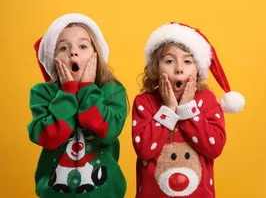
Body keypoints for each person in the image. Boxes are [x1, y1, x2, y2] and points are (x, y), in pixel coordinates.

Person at [132, 22, 245, 197]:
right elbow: (145, 150)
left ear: (198, 69)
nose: (179, 69)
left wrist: (187, 109)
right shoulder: (144, 102)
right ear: (156, 67)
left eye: (187, 61)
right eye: (169, 61)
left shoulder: (207, 101)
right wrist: (169, 109)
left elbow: (214, 148)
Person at [28, 13, 128, 197]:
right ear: (53, 59)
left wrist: (88, 89)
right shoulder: (42, 93)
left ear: (96, 56)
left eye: (83, 46)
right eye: (63, 48)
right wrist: (67, 93)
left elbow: (108, 132)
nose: (73, 52)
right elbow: (49, 137)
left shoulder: (113, 90)